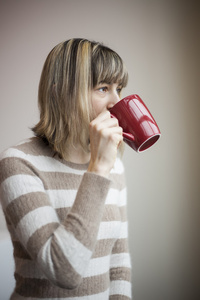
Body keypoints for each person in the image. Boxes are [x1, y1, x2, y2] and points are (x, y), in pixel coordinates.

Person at [0, 38, 132, 299]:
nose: (116, 103)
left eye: (119, 89)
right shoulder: (19, 163)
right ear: (61, 92)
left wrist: (104, 166)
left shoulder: (113, 165)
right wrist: (98, 170)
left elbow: (119, 264)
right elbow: (65, 272)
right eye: (103, 88)